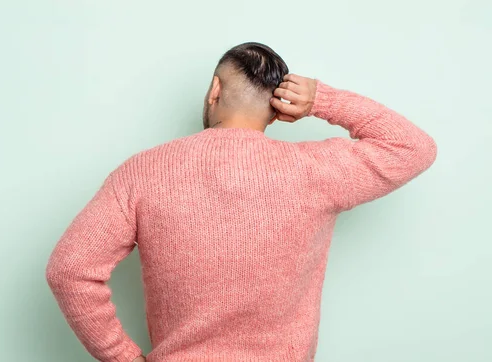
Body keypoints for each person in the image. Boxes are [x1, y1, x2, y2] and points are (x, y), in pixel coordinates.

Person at [45, 42, 437, 362]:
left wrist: (123, 359)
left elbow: (69, 269)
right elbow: (413, 147)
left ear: (215, 90)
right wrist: (323, 100)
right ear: (278, 107)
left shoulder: (142, 172)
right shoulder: (316, 170)